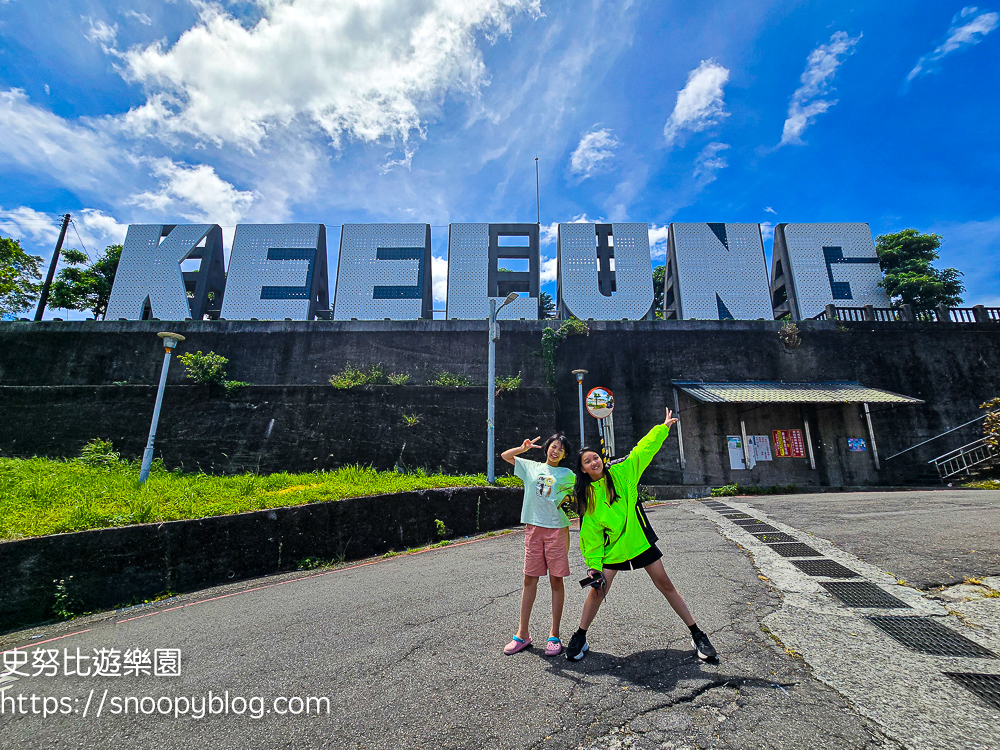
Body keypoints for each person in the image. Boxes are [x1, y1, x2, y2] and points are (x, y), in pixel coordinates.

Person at [565, 408, 717, 663]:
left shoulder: (623, 472)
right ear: (583, 470)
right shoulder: (588, 496)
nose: (594, 462)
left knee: (665, 584)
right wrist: (593, 565)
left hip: (640, 542)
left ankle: (697, 633)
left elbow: (642, 450)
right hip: (613, 549)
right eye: (587, 462)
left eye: (595, 457)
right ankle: (580, 636)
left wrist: (663, 428)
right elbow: (590, 533)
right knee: (597, 590)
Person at [500, 433, 576, 657]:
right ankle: (522, 634)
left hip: (557, 529)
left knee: (556, 580)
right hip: (533, 527)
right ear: (547, 448)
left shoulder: (568, 474)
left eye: (561, 449)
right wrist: (522, 449)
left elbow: (578, 494)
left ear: (565, 455)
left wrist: (569, 500)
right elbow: (505, 456)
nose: (556, 451)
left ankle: (555, 634)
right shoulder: (531, 467)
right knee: (529, 579)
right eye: (553, 446)